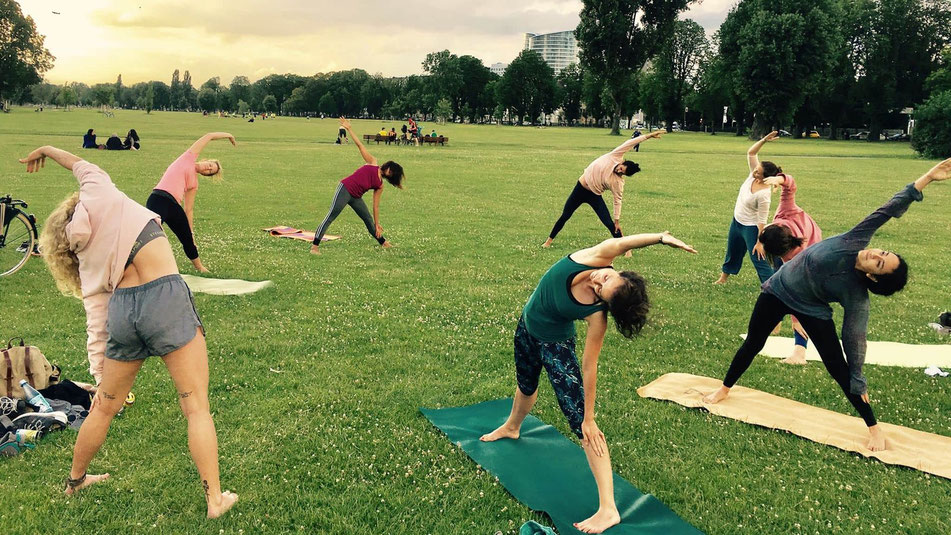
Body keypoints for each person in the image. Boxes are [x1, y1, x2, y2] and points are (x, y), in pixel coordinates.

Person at [21, 145, 238, 518]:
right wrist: (45, 150)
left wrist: (102, 376)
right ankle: (215, 500)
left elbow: (96, 322)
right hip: (166, 299)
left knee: (103, 408)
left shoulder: (86, 259)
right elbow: (79, 164)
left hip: (124, 312)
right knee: (196, 405)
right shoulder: (99, 190)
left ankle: (75, 482)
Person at [703, 157, 951, 452]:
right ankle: (724, 388)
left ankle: (873, 427)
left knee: (838, 366)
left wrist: (858, 378)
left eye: (880, 263)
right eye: (882, 251)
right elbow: (888, 209)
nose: (875, 254)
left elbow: (855, 337)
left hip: (811, 308)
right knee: (753, 343)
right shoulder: (855, 239)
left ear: (873, 276)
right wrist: (927, 179)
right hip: (777, 290)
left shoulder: (856, 294)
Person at [481, 231, 697, 534]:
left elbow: (589, 365)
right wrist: (662, 237)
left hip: (555, 346)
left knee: (584, 428)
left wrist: (590, 417)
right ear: (618, 270)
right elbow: (624, 243)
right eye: (605, 280)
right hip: (527, 326)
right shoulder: (597, 257)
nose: (596, 282)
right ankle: (513, 427)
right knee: (526, 384)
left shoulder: (596, 315)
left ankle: (609, 509)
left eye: (600, 292)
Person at [543, 130, 664, 249]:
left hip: (594, 195)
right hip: (579, 189)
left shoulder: (618, 182)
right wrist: (648, 136)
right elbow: (630, 143)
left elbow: (618, 200)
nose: (619, 171)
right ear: (623, 162)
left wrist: (617, 221)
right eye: (622, 168)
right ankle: (548, 241)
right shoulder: (615, 156)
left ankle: (627, 249)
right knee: (565, 215)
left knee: (609, 223)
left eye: (622, 173)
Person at [311, 117, 405, 255]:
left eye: (392, 172)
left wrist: (377, 224)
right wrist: (349, 128)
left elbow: (375, 206)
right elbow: (360, 146)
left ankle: (383, 243)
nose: (389, 170)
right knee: (331, 215)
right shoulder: (373, 162)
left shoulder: (380, 185)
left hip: (355, 197)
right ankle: (314, 246)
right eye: (390, 168)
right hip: (345, 189)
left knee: (368, 219)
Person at [145, 132, 236, 273]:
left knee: (187, 238)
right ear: (206, 160)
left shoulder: (194, 183)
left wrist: (191, 233)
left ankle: (199, 267)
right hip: (158, 199)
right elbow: (209, 136)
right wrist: (228, 135)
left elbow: (189, 210)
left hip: (173, 206)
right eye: (210, 165)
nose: (208, 168)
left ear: (206, 175)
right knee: (149, 234)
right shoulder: (188, 157)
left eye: (211, 171)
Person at [758, 172, 823, 364]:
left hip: (811, 254)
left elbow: (795, 292)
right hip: (793, 246)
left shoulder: (799, 260)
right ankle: (775, 318)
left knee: (797, 299)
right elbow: (791, 185)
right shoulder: (785, 212)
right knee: (775, 286)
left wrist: (796, 319)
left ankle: (799, 352)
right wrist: (779, 179)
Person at [713, 131, 780, 285]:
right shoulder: (753, 175)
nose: (755, 171)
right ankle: (723, 278)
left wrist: (759, 242)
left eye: (758, 172)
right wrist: (763, 140)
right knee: (733, 251)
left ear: (765, 178)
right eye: (756, 169)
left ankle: (772, 286)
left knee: (758, 257)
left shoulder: (764, 194)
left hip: (751, 227)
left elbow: (762, 220)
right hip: (737, 221)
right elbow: (751, 152)